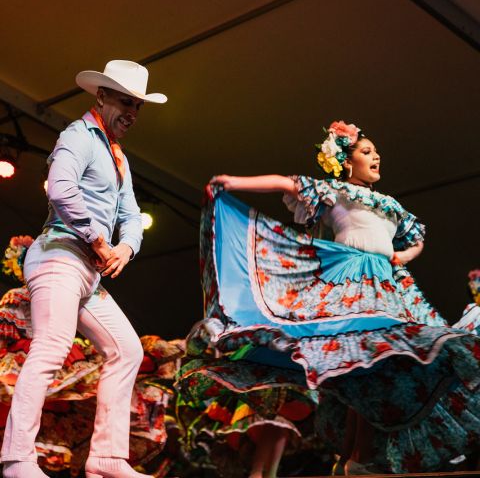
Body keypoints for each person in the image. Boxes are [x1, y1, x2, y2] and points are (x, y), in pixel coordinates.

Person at [178, 120, 480, 474]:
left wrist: (403, 257)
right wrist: (233, 182)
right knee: (363, 365)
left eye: (377, 152)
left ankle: (354, 458)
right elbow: (285, 182)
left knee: (374, 365)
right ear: (348, 161)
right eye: (367, 152)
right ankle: (357, 458)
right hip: (350, 284)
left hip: (388, 287)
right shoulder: (334, 192)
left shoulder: (391, 205)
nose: (376, 156)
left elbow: (417, 240)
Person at [0, 60, 167, 478]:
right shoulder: (77, 135)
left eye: (138, 105)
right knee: (52, 346)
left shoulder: (118, 158)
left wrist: (125, 248)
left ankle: (107, 458)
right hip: (60, 254)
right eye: (125, 101)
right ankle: (18, 459)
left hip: (86, 270)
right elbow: (60, 188)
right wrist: (98, 240)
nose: (131, 111)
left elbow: (130, 215)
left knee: (127, 349)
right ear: (102, 96)